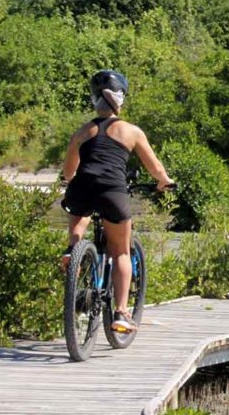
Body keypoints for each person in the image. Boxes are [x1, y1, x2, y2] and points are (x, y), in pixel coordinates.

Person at [60, 70, 174, 334]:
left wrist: (70, 180)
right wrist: (164, 182)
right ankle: (121, 313)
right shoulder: (131, 131)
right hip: (112, 190)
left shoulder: (82, 132)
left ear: (94, 100)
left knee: (78, 210)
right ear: (120, 99)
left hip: (82, 187)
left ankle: (73, 250)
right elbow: (155, 168)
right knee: (121, 250)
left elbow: (68, 172)